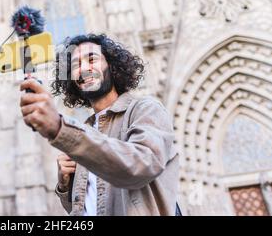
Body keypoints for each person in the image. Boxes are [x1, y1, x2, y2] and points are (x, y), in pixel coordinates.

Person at [19, 34, 180, 216]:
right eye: (76, 65)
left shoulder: (146, 109)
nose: (84, 69)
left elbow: (141, 165)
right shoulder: (86, 131)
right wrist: (65, 186)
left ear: (112, 66)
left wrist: (60, 128)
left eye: (92, 59)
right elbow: (87, 207)